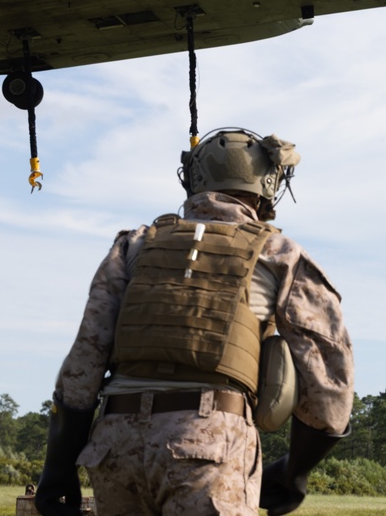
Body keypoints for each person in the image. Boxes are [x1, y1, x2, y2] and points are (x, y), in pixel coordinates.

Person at [35, 128, 355, 516]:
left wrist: (58, 468)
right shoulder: (279, 254)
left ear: (194, 178)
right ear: (267, 185)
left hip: (114, 447)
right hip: (209, 445)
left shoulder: (134, 244)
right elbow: (328, 381)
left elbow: (84, 361)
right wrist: (295, 470)